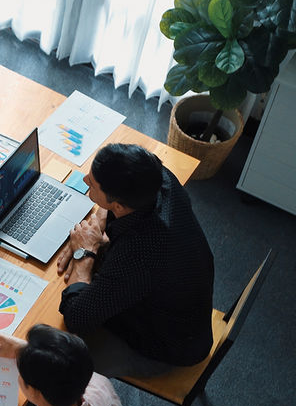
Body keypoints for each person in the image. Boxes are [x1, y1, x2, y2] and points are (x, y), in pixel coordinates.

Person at [55, 143, 215, 377]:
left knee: (56, 353)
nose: (86, 179)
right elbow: (113, 208)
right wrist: (98, 223)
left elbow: (77, 317)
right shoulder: (160, 178)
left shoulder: (140, 252)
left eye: (93, 182)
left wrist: (85, 253)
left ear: (118, 204)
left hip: (170, 345)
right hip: (183, 302)